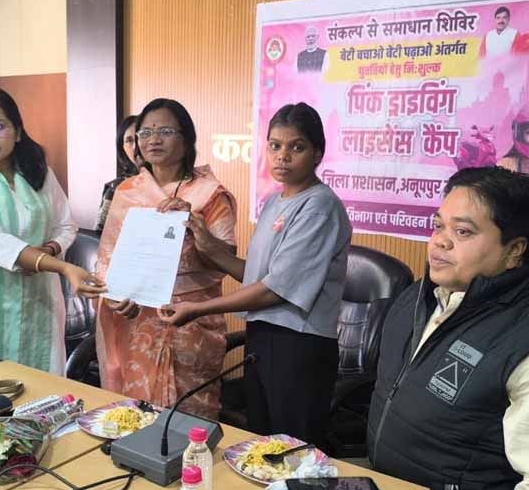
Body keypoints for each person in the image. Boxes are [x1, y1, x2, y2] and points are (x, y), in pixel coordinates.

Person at [366, 166, 529, 490]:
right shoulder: (419, 297)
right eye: (438, 226)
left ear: (514, 250)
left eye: (462, 232)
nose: (440, 242)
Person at [159, 102, 352, 447]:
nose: (282, 156)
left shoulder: (319, 206)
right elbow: (256, 276)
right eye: (275, 145)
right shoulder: (275, 202)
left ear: (318, 153)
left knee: (293, 451)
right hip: (263, 336)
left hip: (299, 344)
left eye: (296, 147)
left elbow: (273, 290)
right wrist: (208, 244)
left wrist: (198, 309)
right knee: (261, 442)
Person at [0, 87, 105, 373]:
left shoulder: (39, 174)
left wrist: (48, 250)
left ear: (17, 132)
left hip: (39, 302)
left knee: (41, 390)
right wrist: (61, 267)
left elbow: (65, 225)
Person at [95, 98, 238, 420]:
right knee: (135, 417)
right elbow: (108, 259)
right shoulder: (128, 191)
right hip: (137, 321)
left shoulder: (210, 194)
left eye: (165, 131)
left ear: (187, 139)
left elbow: (226, 259)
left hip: (190, 322)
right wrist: (116, 296)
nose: (153, 140)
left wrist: (197, 229)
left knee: (188, 422)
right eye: (145, 132)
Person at [95, 115, 140, 231]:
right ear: (122, 148)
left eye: (140, 137)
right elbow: (100, 235)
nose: (136, 146)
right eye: (129, 140)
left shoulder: (179, 183)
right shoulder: (116, 188)